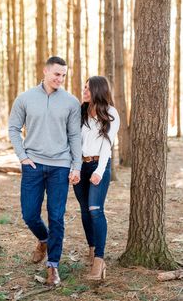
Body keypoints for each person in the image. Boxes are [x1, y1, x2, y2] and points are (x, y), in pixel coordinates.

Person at [8, 56, 81, 286]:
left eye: (63, 75)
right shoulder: (25, 98)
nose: (60, 78)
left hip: (60, 165)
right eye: (56, 74)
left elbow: (74, 136)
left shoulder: (71, 102)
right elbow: (13, 128)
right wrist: (23, 156)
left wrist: (76, 165)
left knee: (57, 217)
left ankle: (53, 266)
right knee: (29, 213)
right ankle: (43, 239)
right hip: (33, 165)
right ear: (45, 71)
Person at [71, 76, 120, 281]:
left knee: (95, 210)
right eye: (83, 88)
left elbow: (107, 146)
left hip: (99, 164)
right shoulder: (80, 111)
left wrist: (99, 171)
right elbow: (73, 141)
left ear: (98, 90)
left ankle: (99, 260)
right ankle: (91, 249)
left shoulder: (110, 113)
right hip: (80, 166)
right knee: (84, 209)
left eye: (88, 88)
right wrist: (74, 168)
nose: (84, 91)